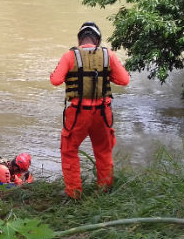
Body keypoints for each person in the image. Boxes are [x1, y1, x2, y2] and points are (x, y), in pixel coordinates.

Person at [50, 22, 130, 199]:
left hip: (78, 114)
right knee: (103, 151)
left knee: (69, 151)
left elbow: (55, 80)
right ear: (98, 39)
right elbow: (124, 80)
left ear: (80, 39)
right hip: (103, 113)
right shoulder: (108, 55)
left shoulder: (69, 56)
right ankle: (104, 190)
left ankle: (74, 194)